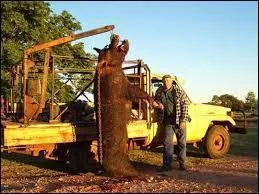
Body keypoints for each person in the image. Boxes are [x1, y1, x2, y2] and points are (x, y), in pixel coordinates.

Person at [153, 74, 189, 171]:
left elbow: (185, 104)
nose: (166, 83)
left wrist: (183, 120)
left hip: (178, 121)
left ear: (172, 82)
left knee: (181, 143)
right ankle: (167, 166)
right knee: (167, 144)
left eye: (168, 81)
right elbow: (155, 100)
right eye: (164, 81)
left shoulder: (178, 91)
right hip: (167, 121)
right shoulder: (159, 91)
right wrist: (158, 104)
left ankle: (182, 164)